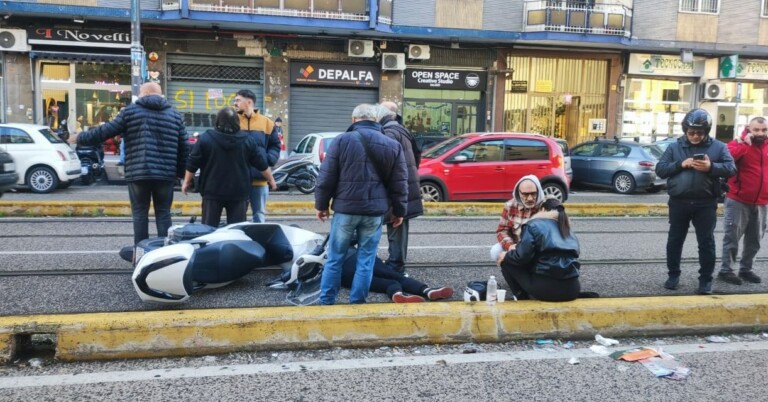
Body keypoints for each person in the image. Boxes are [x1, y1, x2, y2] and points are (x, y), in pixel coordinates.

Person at [314, 103, 408, 305]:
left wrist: (321, 205)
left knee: (335, 258)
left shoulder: (341, 140)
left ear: (353, 119)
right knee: (366, 261)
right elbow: (400, 183)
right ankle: (357, 303)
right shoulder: (392, 145)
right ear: (375, 119)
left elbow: (326, 177)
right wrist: (400, 211)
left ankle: (327, 302)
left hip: (345, 211)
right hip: (374, 213)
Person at [76, 82, 188, 246]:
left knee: (140, 214)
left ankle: (141, 252)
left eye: (140, 92)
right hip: (165, 174)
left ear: (146, 93)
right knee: (164, 213)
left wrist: (80, 138)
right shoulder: (175, 115)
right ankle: (165, 254)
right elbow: (184, 147)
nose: (139, 95)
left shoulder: (130, 112)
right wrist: (181, 173)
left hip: (138, 172)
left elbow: (105, 131)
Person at [655, 108, 736, 295]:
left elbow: (731, 169)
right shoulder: (674, 147)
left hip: (705, 203)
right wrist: (680, 164)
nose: (695, 136)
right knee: (675, 240)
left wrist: (711, 167)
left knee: (706, 243)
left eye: (700, 133)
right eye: (691, 132)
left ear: (706, 131)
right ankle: (673, 275)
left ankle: (705, 280)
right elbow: (660, 169)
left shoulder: (718, 147)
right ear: (685, 130)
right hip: (679, 202)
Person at [182, 107, 277, 227]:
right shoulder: (248, 141)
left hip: (212, 191)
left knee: (208, 228)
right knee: (236, 231)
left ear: (217, 121)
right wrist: (271, 180)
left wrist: (186, 181)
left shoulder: (206, 138)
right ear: (237, 122)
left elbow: (192, 162)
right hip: (239, 192)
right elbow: (261, 164)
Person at [496, 198, 581, 302]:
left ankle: (522, 299)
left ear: (543, 209)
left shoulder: (533, 224)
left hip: (545, 290)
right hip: (572, 290)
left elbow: (521, 257)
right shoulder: (567, 228)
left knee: (506, 260)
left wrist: (506, 255)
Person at [717, 117, 768, 285]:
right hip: (738, 200)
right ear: (749, 129)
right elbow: (727, 159)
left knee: (755, 239)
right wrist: (745, 143)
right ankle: (726, 270)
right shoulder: (738, 143)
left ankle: (746, 269)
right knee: (732, 237)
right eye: (756, 130)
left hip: (762, 202)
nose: (760, 133)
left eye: (764, 130)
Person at [377, 102, 423, 275]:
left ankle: (394, 266)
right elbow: (417, 155)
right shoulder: (403, 130)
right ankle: (396, 264)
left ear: (383, 113)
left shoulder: (388, 132)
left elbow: (385, 162)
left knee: (391, 222)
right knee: (399, 224)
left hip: (394, 185)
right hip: (406, 183)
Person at [234, 89, 280, 223]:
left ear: (249, 102)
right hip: (238, 179)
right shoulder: (233, 121)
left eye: (238, 100)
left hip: (260, 179)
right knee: (237, 216)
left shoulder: (267, 123)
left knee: (259, 215)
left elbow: (275, 145)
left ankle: (259, 236)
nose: (235, 103)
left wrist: (268, 159)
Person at [340, 248, 453, 303]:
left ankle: (396, 293)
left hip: (343, 276)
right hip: (357, 258)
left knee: (389, 284)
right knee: (397, 277)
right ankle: (427, 291)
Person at [490, 175, 546, 261]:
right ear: (518, 193)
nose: (530, 198)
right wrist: (510, 246)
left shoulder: (547, 206)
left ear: (539, 192)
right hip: (517, 246)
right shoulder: (510, 206)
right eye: (525, 194)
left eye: (533, 193)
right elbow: (502, 230)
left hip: (540, 248)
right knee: (495, 251)